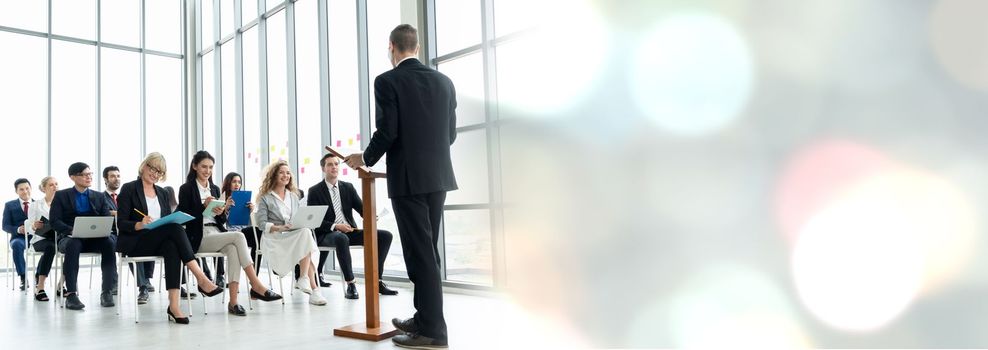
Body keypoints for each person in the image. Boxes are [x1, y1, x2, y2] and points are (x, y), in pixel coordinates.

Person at [344, 24, 457, 348]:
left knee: (418, 253)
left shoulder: (387, 81)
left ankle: (433, 331)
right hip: (438, 178)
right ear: (417, 47)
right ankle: (424, 318)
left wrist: (364, 158)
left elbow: (388, 131)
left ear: (391, 46)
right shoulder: (444, 82)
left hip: (408, 178)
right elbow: (450, 135)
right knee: (427, 251)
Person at [115, 152, 224, 324]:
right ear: (144, 166)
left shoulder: (162, 193)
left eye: (159, 171)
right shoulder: (129, 188)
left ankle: (174, 307)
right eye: (152, 168)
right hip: (136, 241)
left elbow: (166, 220)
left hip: (157, 239)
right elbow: (121, 223)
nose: (154, 173)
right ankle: (201, 279)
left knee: (172, 245)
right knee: (173, 229)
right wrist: (139, 224)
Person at [177, 151, 281, 316]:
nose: (207, 170)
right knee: (238, 236)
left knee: (233, 249)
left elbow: (221, 220)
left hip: (216, 231)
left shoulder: (215, 188)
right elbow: (184, 217)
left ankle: (233, 303)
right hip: (199, 236)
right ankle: (255, 284)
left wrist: (222, 211)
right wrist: (203, 207)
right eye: (204, 166)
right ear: (195, 166)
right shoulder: (186, 189)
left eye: (211, 167)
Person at [307, 153, 398, 299]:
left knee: (385, 236)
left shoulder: (348, 187)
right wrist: (336, 226)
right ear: (323, 168)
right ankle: (351, 284)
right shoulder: (315, 191)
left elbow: (362, 209)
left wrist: (370, 215)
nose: (334, 167)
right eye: (330, 164)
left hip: (349, 231)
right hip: (327, 234)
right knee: (341, 238)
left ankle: (377, 281)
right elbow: (314, 221)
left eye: (336, 164)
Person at [49, 162, 120, 310]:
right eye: (84, 174)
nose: (89, 177)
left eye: (90, 174)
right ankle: (72, 295)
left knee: (109, 243)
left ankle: (107, 292)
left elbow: (106, 218)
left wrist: (101, 229)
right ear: (73, 177)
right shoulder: (61, 196)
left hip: (95, 237)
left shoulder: (99, 196)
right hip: (71, 237)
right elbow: (54, 221)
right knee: (73, 244)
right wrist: (72, 230)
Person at [255, 160, 326, 306]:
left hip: (292, 234)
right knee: (307, 241)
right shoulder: (265, 197)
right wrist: (279, 227)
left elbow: (296, 218)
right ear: (273, 175)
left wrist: (300, 222)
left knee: (306, 233)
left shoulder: (293, 196)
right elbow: (261, 224)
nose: (285, 175)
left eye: (288, 173)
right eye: (281, 172)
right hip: (274, 237)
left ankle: (307, 281)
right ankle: (311, 286)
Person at [105, 166, 154, 299]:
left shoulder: (129, 194)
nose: (116, 179)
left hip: (132, 229)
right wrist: (116, 213)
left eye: (118, 176)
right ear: (106, 179)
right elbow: (102, 213)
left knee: (143, 236)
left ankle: (146, 279)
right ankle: (116, 282)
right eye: (112, 176)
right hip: (112, 231)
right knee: (125, 243)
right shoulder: (101, 197)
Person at [25, 177, 59, 301]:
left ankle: (61, 285)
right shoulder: (35, 205)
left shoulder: (62, 204)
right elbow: (29, 225)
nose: (55, 187)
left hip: (57, 237)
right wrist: (34, 225)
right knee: (51, 247)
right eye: (51, 185)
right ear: (44, 188)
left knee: (70, 246)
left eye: (56, 184)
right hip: (40, 239)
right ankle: (40, 287)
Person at [221, 172, 261, 269]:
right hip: (230, 233)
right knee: (258, 232)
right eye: (234, 181)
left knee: (258, 242)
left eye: (239, 182)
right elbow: (220, 222)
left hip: (243, 232)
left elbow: (248, 223)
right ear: (228, 183)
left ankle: (253, 277)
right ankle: (253, 275)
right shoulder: (222, 198)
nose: (237, 184)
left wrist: (251, 211)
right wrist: (226, 207)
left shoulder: (243, 199)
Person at [3, 178, 34, 291]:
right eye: (21, 189)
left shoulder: (38, 204)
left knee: (50, 246)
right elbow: (5, 226)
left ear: (31, 188)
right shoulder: (9, 205)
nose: (25, 191)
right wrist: (18, 230)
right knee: (16, 245)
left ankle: (39, 275)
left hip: (37, 237)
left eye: (27, 188)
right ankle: (23, 277)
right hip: (19, 238)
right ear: (16, 191)